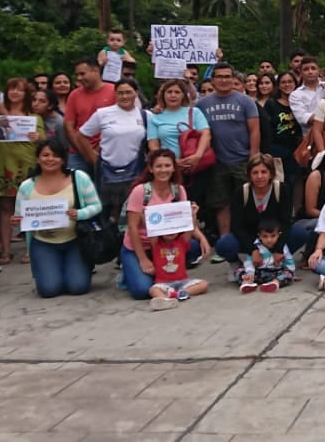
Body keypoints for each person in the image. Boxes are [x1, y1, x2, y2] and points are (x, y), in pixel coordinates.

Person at [14, 140, 103, 298]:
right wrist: (16, 221)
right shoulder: (26, 186)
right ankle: (54, 269)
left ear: (63, 158)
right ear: (37, 158)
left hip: (75, 239)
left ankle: (77, 267)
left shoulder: (78, 177)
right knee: (49, 290)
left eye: (55, 155)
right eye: (45, 155)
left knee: (78, 287)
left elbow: (96, 206)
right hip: (43, 242)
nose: (50, 159)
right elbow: (20, 217)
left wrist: (80, 214)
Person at [119, 149, 206, 301]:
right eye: (159, 166)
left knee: (195, 246)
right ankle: (129, 272)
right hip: (140, 246)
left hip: (167, 244)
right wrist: (143, 260)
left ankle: (165, 274)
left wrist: (202, 237)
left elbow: (185, 223)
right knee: (142, 291)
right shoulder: (140, 191)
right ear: (151, 169)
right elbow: (132, 227)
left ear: (174, 168)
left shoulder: (178, 190)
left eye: (167, 166)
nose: (163, 170)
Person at [196, 63, 260, 252]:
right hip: (217, 161)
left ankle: (253, 240)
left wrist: (253, 157)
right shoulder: (203, 104)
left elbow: (255, 130)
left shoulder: (246, 101)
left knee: (248, 201)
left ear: (233, 79)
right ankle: (225, 243)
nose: (224, 80)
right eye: (219, 77)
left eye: (227, 76)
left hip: (243, 160)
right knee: (221, 203)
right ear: (213, 80)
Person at [78, 78, 147, 228]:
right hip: (107, 170)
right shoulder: (103, 114)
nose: (124, 96)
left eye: (128, 92)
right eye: (120, 93)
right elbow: (82, 135)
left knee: (132, 210)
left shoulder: (145, 115)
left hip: (135, 170)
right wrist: (92, 157)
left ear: (136, 93)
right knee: (105, 211)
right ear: (115, 94)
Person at [214, 153, 290, 279]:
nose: (259, 176)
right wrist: (253, 250)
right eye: (255, 172)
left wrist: (279, 249)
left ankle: (279, 260)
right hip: (250, 237)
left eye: (264, 172)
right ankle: (236, 265)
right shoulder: (241, 192)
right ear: (249, 175)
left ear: (271, 173)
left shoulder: (282, 190)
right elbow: (237, 226)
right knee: (224, 243)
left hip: (274, 236)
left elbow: (286, 222)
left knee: (300, 232)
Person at [0, 77, 43, 265]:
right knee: (5, 207)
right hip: (5, 165)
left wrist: (37, 137)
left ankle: (31, 249)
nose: (15, 93)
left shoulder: (35, 116)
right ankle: (6, 251)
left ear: (26, 94)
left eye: (19, 90)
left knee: (29, 208)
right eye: (11, 89)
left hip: (27, 165)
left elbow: (44, 142)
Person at [62, 58, 116, 175]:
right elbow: (68, 126)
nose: (79, 78)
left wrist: (96, 151)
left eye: (82, 74)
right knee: (76, 189)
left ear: (96, 71)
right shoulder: (74, 95)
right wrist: (84, 152)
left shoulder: (114, 91)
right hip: (77, 154)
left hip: (106, 152)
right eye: (77, 75)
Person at [146, 226, 210, 311]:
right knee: (153, 290)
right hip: (164, 284)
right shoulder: (156, 244)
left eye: (173, 229)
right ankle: (166, 301)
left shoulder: (182, 241)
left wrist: (192, 215)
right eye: (167, 229)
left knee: (204, 284)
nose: (170, 232)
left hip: (183, 282)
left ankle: (178, 294)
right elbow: (151, 226)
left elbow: (190, 227)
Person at [238, 218, 295, 293]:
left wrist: (291, 273)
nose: (269, 240)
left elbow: (289, 261)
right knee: (238, 270)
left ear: (279, 235)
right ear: (259, 236)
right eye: (265, 236)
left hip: (276, 273)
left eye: (273, 236)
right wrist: (250, 273)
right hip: (258, 274)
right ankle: (247, 283)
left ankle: (275, 283)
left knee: (288, 274)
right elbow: (249, 262)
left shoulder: (282, 247)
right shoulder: (256, 246)